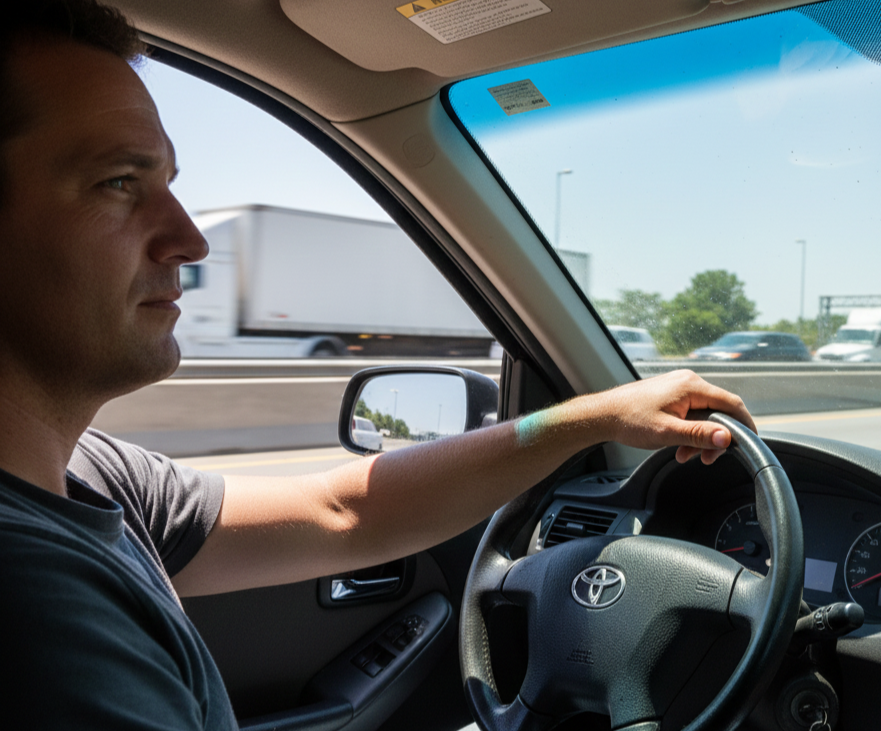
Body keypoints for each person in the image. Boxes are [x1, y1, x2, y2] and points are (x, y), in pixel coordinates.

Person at [0, 2, 756, 728]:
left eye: (168, 181)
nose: (189, 239)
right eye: (118, 182)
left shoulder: (86, 476)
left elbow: (344, 510)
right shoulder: (35, 599)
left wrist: (590, 417)